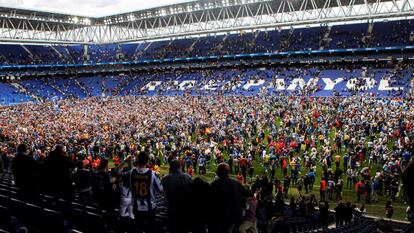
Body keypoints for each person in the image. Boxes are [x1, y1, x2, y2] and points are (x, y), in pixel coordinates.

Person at [130, 151, 163, 233]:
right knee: (150, 229)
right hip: (150, 208)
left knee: (138, 228)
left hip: (136, 206)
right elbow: (161, 189)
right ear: (147, 161)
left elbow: (131, 187)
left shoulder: (132, 172)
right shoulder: (152, 174)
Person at [209, 163, 246, 233]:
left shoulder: (214, 184)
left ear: (218, 172)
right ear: (228, 172)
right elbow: (246, 194)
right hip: (233, 216)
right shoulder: (236, 183)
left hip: (219, 216)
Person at [161, 159, 192, 233]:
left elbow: (163, 193)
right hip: (184, 208)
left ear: (170, 167)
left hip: (171, 208)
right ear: (180, 166)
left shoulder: (165, 179)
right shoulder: (187, 177)